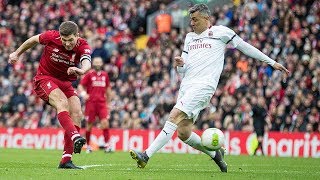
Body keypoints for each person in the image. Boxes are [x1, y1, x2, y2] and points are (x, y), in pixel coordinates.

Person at [129, 3, 290, 173]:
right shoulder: (189, 37)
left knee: (174, 115)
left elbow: (245, 47)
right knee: (183, 133)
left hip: (204, 86)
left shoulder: (222, 32)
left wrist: (271, 62)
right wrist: (179, 65)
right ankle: (216, 155)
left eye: (195, 20)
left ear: (206, 18)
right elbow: (182, 70)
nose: (192, 23)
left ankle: (146, 155)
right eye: (191, 20)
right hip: (187, 86)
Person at [8, 21, 92, 169]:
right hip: (44, 78)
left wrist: (82, 71)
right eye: (64, 40)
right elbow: (33, 39)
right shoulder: (51, 37)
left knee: (77, 112)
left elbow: (86, 62)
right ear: (60, 36)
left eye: (70, 40)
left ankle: (66, 160)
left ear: (77, 36)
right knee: (61, 103)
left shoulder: (83, 45)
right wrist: (17, 53)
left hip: (65, 83)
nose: (67, 44)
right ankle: (75, 136)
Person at [78, 57, 112, 153]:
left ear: (102, 63)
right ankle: (88, 146)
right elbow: (81, 85)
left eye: (99, 62)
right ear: (93, 63)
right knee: (89, 125)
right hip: (91, 103)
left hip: (102, 103)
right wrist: (84, 94)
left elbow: (108, 90)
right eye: (96, 62)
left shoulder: (105, 75)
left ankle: (107, 145)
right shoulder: (89, 74)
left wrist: (108, 103)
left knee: (105, 123)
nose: (97, 64)